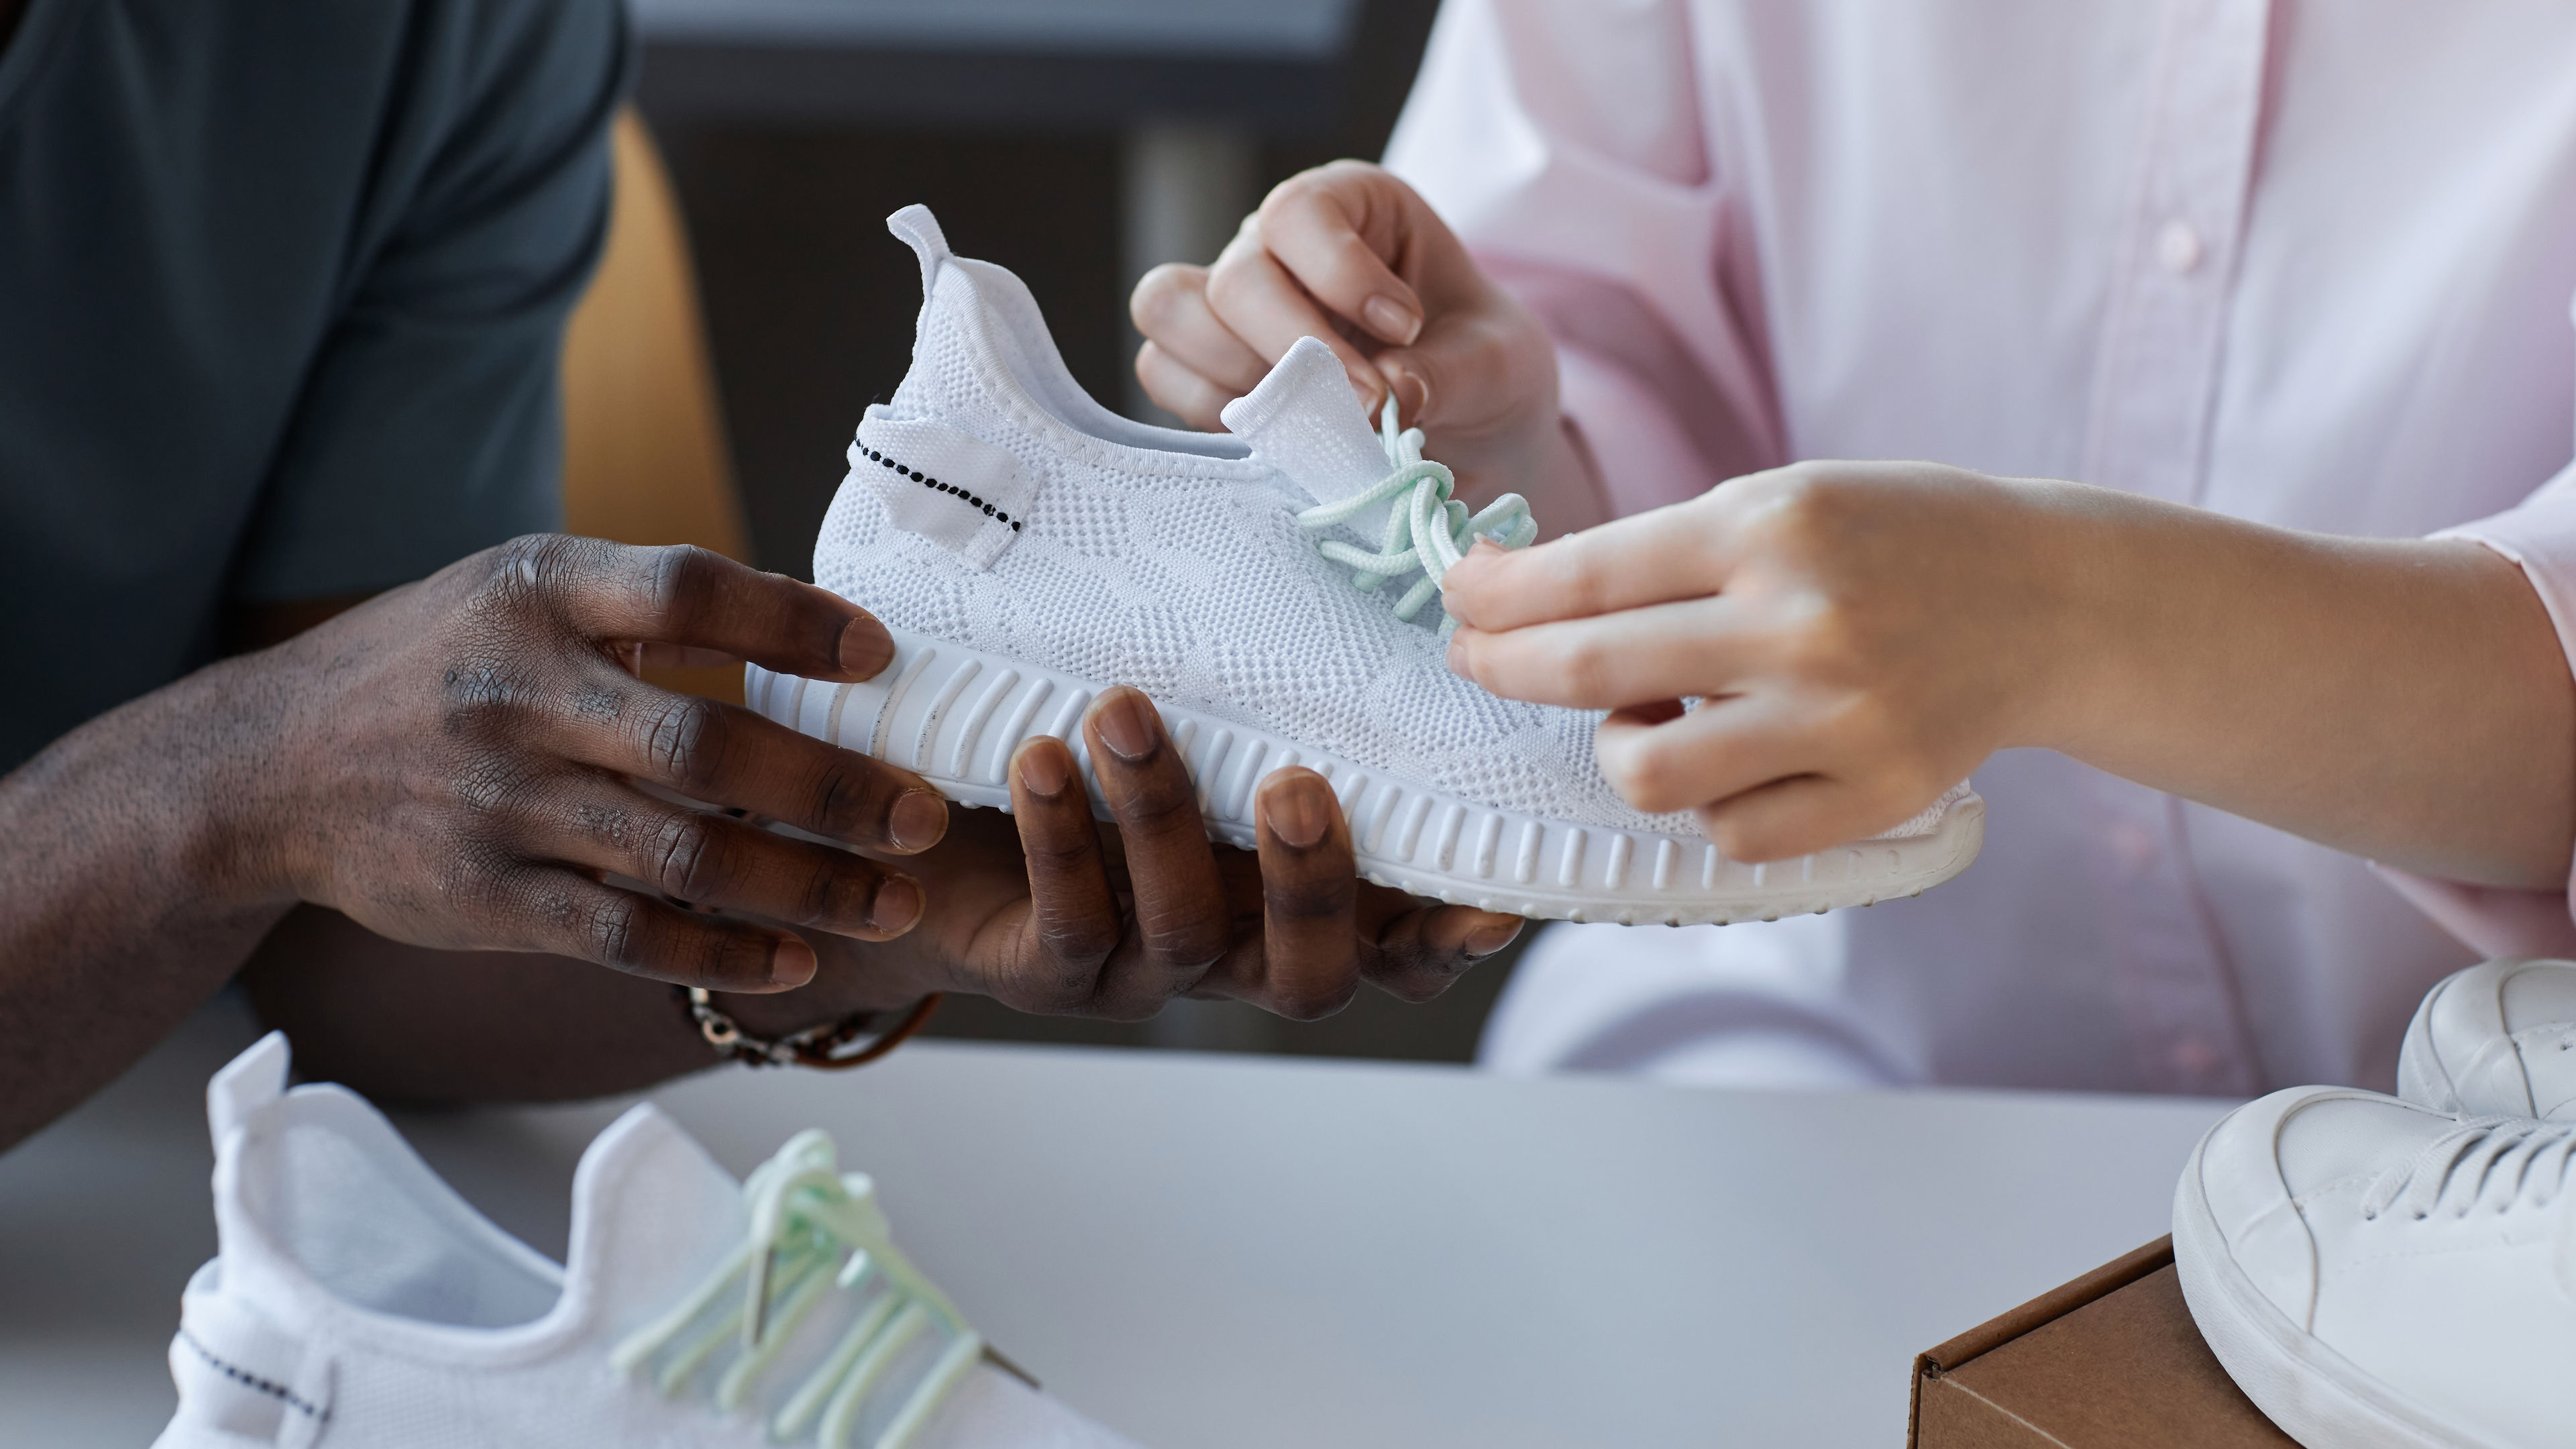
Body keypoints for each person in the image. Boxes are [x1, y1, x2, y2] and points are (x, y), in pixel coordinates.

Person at [0, 0, 1519, 1153]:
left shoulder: (445, 31)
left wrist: (868, 908)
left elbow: (351, 916)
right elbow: (268, 809)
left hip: (166, 1150)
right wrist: (227, 783)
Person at [1130, 0, 2576, 1096]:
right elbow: (1595, 395)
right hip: (1818, 1067)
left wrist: (2060, 617)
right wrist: (1503, 449)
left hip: (2510, 1156)